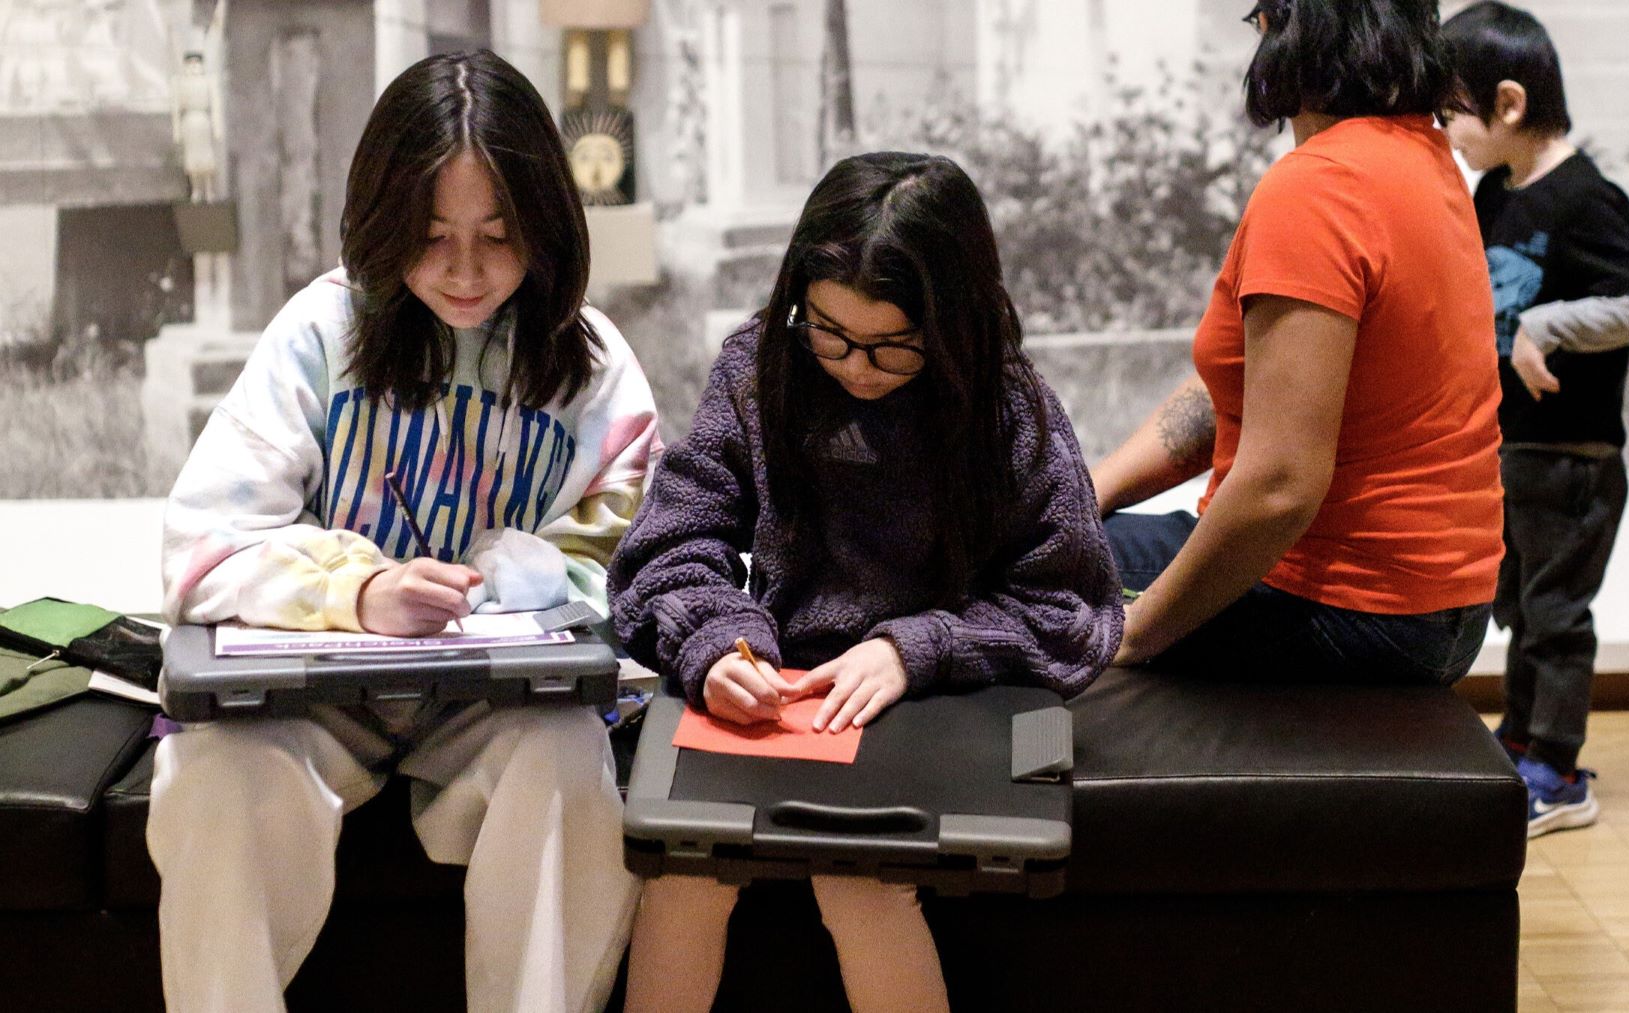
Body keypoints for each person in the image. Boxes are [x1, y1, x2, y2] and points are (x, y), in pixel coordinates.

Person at [151, 50, 660, 1011]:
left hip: (494, 709)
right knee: (211, 777)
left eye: (498, 237)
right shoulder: (320, 333)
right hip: (308, 701)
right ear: (383, 223)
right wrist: (356, 591)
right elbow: (200, 548)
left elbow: (630, 550)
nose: (465, 272)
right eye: (431, 237)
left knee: (569, 768)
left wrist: (515, 574)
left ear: (547, 226)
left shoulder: (592, 368)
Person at [606, 151, 1122, 1013]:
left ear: (956, 325)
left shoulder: (1007, 409)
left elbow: (1071, 608)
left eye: (891, 346)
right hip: (780, 696)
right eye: (829, 332)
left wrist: (918, 647)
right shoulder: (759, 369)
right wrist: (718, 643)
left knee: (864, 885)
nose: (853, 366)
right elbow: (670, 544)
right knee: (683, 871)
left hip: (931, 704)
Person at [1090, 0, 1502, 686]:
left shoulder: (1319, 188)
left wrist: (1135, 636)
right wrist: (1087, 491)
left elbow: (1280, 487)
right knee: (1061, 533)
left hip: (1347, 606)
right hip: (1440, 610)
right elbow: (1249, 392)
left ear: (1288, 30)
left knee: (1018, 571)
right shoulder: (1421, 160)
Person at [1443, 1, 1629, 837]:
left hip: (1573, 457)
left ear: (1507, 104)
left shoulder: (1586, 196)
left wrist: (1548, 325)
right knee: (1520, 607)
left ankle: (1559, 770)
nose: (1447, 132)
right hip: (1514, 451)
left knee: (1557, 614)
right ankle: (1525, 736)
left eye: (1452, 112)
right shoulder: (1496, 193)